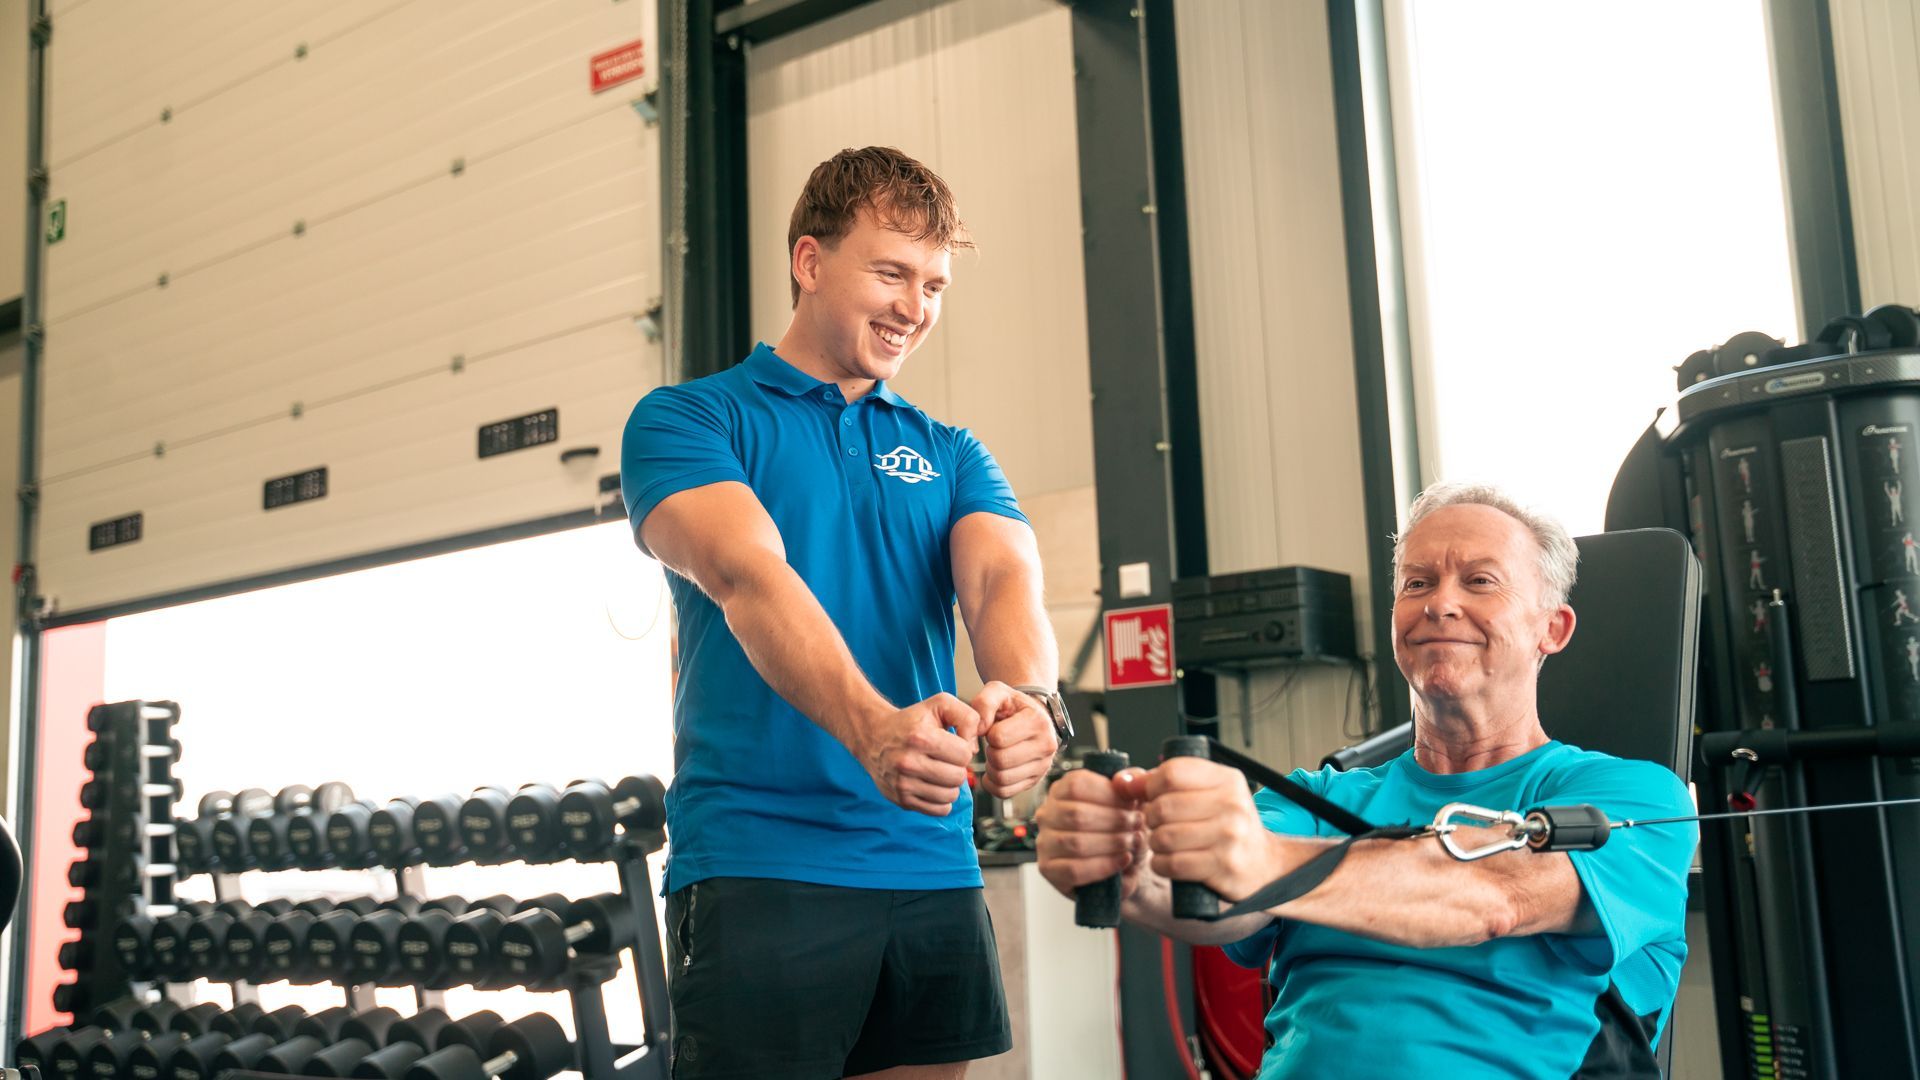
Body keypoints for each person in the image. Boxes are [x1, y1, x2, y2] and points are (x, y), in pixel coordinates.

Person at [620, 147, 1065, 1080]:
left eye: (934, 284)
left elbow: (1001, 579)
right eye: (891, 272)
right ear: (811, 261)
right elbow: (749, 576)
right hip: (760, 863)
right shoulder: (689, 421)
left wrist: (1029, 698)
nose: (915, 307)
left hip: (930, 864)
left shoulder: (948, 450)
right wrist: (872, 731)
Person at [1035, 482, 1697, 1078]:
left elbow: (1497, 898)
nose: (1440, 604)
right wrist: (1123, 858)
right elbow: (1214, 899)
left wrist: (1259, 859)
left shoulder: (1633, 798)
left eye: (1479, 582)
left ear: (1551, 629)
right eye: (1416, 583)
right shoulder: (1324, 798)